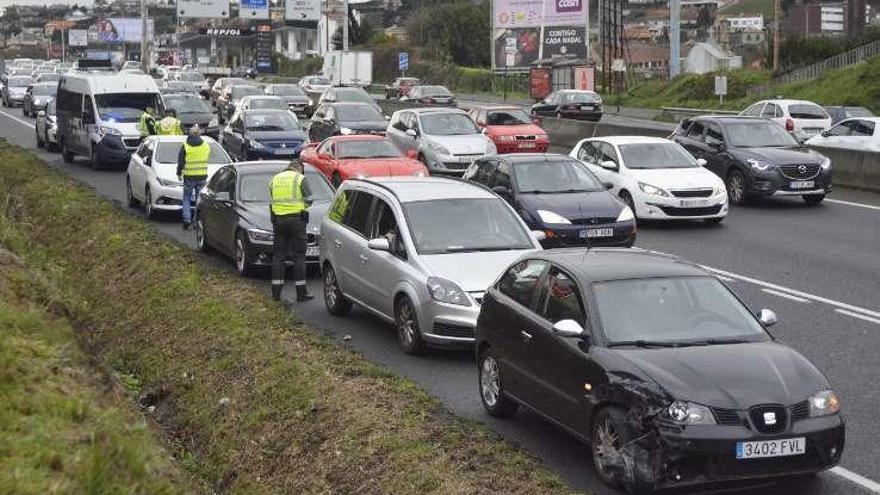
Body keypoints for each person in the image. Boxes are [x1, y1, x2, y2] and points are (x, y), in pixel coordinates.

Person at [269, 160, 313, 302]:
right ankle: (301, 293)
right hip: (296, 221)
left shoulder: (274, 179)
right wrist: (301, 206)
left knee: (278, 256)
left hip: (278, 221)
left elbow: (273, 197)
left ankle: (276, 293)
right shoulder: (300, 178)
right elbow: (310, 199)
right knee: (299, 256)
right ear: (299, 168)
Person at [177, 125, 209, 230]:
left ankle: (187, 220)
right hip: (202, 177)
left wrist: (178, 173)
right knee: (199, 201)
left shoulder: (185, 146)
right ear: (199, 134)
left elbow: (181, 161)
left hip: (189, 177)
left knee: (186, 198)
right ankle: (196, 222)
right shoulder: (205, 146)